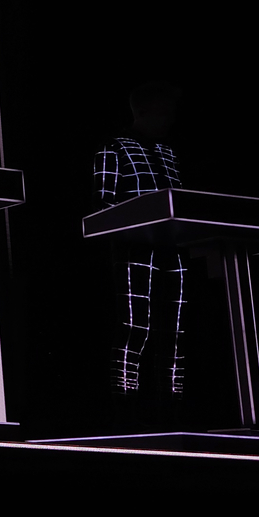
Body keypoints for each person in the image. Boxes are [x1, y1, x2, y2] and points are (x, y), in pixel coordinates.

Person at [92, 82, 186, 420]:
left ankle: (173, 401)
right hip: (133, 248)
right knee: (135, 325)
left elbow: (180, 201)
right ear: (143, 111)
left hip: (172, 247)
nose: (169, 119)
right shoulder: (114, 148)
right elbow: (104, 206)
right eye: (164, 112)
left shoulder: (168, 152)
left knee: (174, 329)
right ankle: (125, 402)